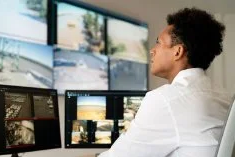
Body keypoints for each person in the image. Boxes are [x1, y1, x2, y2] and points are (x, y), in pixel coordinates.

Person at [99, 7, 234, 157]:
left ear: (178, 52)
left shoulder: (165, 100)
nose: (152, 50)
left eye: (158, 42)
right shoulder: (224, 96)